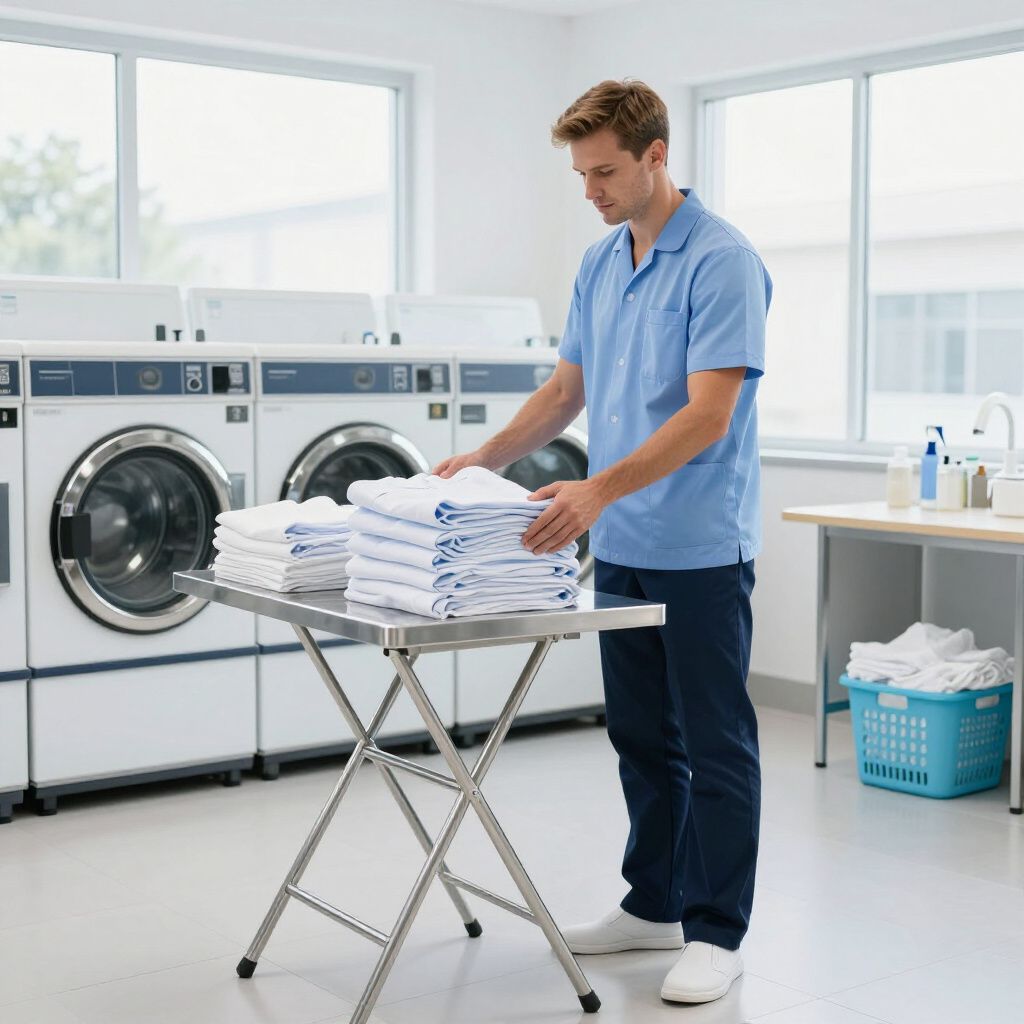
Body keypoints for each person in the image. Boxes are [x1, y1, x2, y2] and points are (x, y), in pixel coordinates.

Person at [434, 78, 771, 1005]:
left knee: (714, 740)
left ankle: (715, 931)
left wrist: (594, 489)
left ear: (657, 156)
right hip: (620, 539)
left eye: (606, 172)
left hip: (700, 544)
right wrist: (483, 460)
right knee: (638, 736)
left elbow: (708, 415)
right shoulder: (599, 260)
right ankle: (652, 903)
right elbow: (564, 392)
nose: (592, 190)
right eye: (581, 175)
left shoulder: (722, 262)